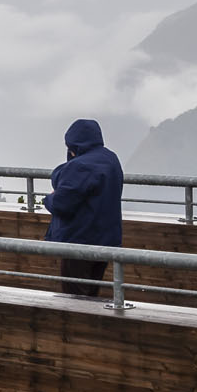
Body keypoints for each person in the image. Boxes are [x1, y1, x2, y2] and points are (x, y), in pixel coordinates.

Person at [43, 118, 124, 297]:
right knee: (91, 294)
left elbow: (62, 204)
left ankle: (80, 324)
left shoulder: (80, 166)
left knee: (75, 298)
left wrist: (49, 198)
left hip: (80, 241)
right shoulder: (110, 159)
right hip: (105, 241)